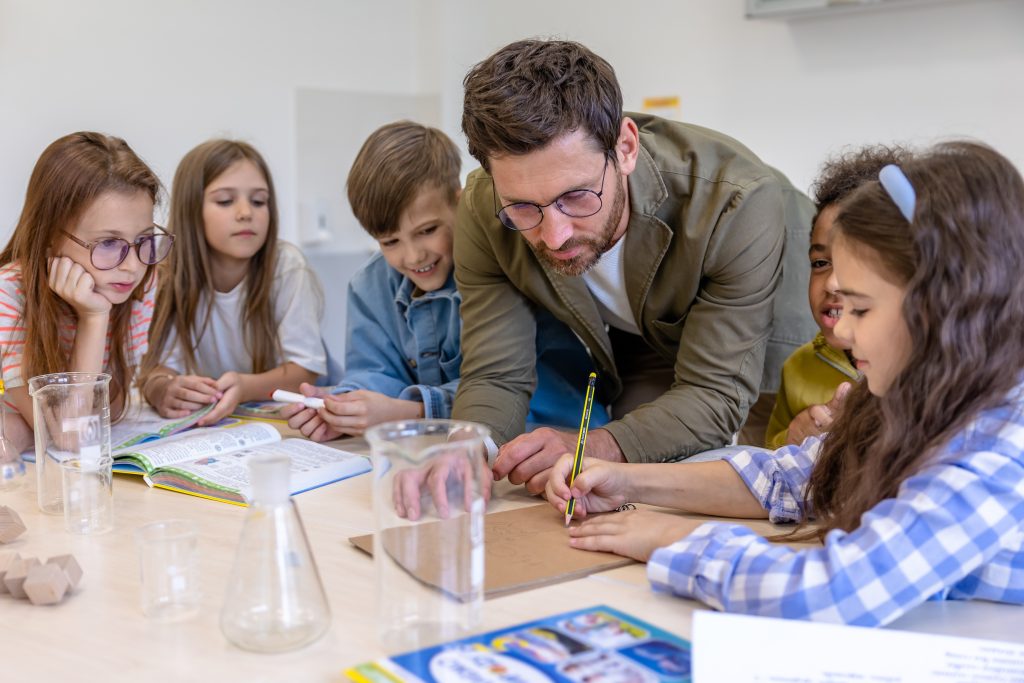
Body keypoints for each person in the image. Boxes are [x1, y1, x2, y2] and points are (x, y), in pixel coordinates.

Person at [544, 141, 1024, 626]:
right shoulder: (920, 390)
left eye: (862, 308)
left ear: (942, 307)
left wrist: (672, 538)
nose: (845, 329)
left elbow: (829, 593)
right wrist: (628, 480)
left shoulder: (1001, 448)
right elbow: (794, 477)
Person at [453, 39, 817, 494]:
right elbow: (495, 372)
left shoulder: (735, 200)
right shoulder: (482, 209)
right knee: (623, 477)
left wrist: (591, 445)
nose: (554, 235)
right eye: (523, 207)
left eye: (576, 196)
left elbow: (716, 394)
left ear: (625, 148)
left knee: (773, 483)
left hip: (780, 326)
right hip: (648, 330)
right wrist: (468, 449)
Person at [283, 121, 605, 442]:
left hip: (554, 439)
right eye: (390, 242)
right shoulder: (368, 286)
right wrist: (343, 405)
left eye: (427, 231)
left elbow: (513, 387)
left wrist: (410, 412)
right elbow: (374, 373)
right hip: (441, 448)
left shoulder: (504, 267)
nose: (412, 257)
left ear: (460, 201)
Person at [0, 132, 172, 451]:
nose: (133, 266)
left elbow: (109, 411)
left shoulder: (141, 284)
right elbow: (74, 434)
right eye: (108, 243)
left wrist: (94, 316)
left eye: (144, 239)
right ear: (50, 236)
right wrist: (93, 319)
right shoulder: (8, 293)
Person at [142, 139, 326, 425]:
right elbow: (158, 368)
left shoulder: (287, 267)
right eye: (225, 201)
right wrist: (162, 389)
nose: (245, 213)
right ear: (191, 210)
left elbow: (306, 370)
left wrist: (245, 387)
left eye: (259, 201)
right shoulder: (168, 274)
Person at [764, 145, 910, 449]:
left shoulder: (927, 367)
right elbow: (767, 458)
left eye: (853, 264)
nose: (832, 283)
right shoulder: (798, 368)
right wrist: (794, 437)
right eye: (820, 263)